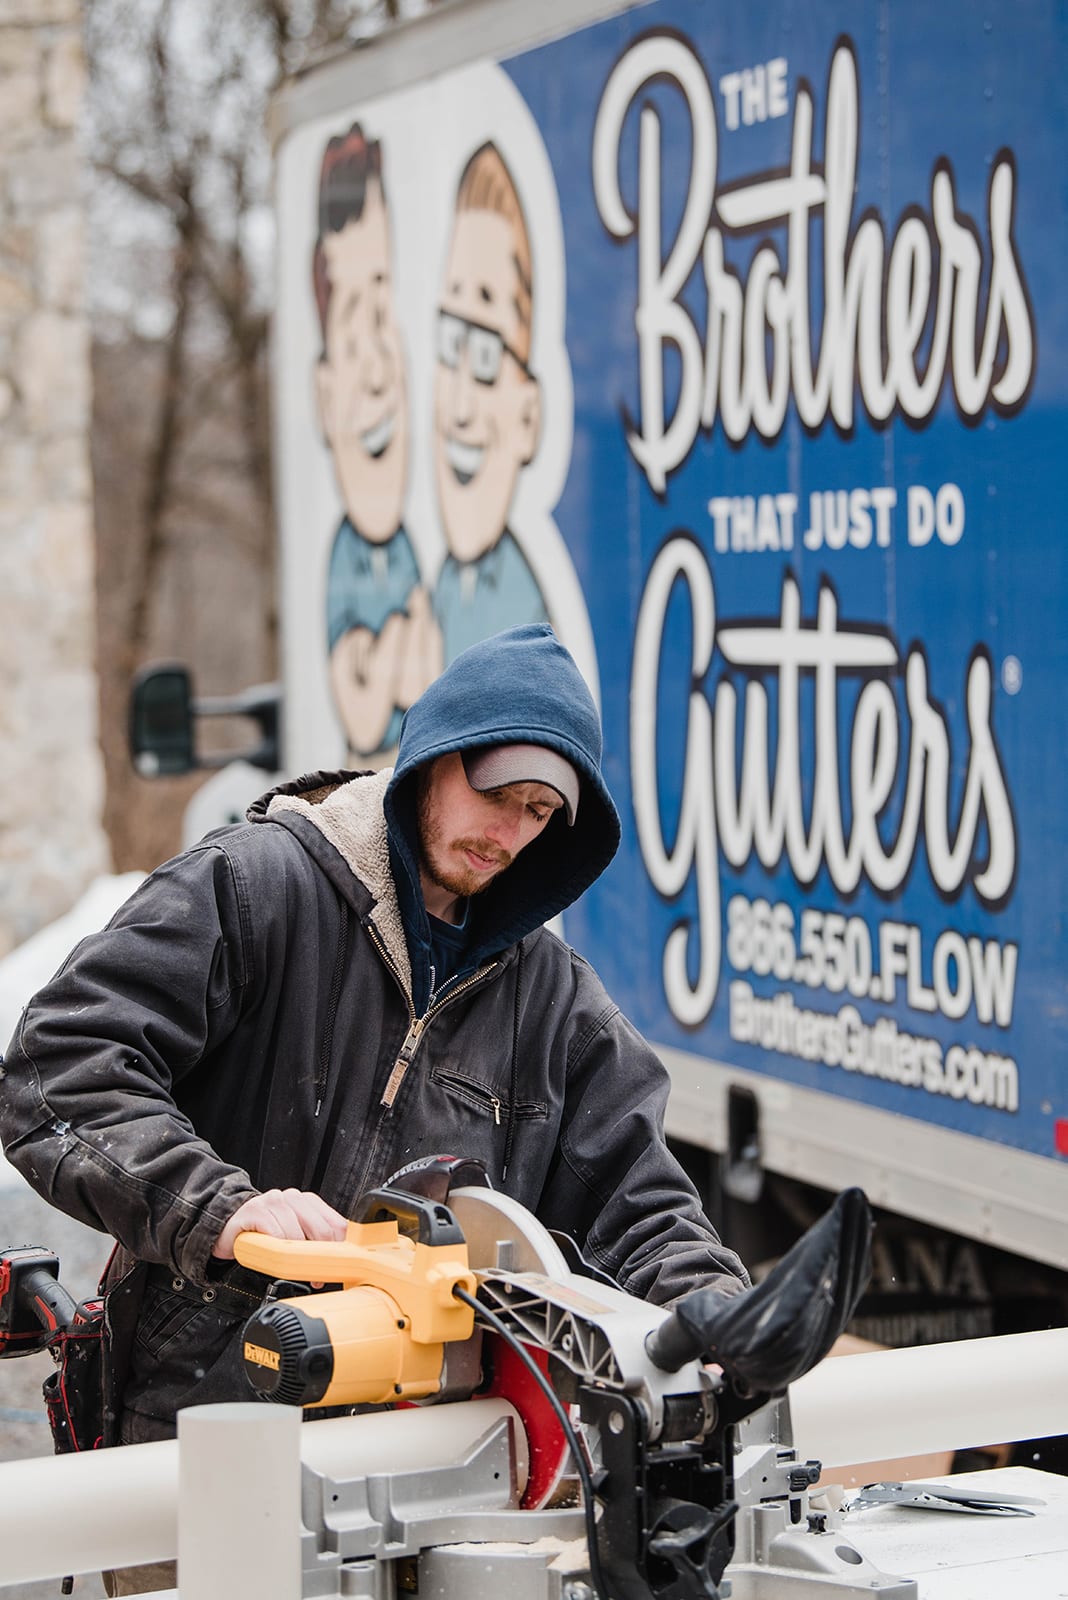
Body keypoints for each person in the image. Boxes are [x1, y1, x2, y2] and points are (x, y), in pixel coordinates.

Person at [0, 625, 748, 1457]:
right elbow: (59, 1068)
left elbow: (638, 1208)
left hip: (436, 1459)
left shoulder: (557, 1006)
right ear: (434, 754)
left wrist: (713, 1312)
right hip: (202, 1435)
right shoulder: (257, 887)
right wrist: (223, 1209)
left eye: (539, 813)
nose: (509, 833)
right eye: (496, 793)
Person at [314, 123, 440, 763]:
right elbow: (364, 704)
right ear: (323, 390)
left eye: (384, 316)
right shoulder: (346, 558)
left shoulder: (410, 549)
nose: (377, 369)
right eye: (352, 329)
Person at [433, 143, 550, 662]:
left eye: (484, 354)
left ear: (529, 414)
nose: (458, 409)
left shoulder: (527, 622)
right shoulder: (443, 588)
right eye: (449, 342)